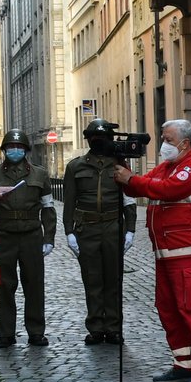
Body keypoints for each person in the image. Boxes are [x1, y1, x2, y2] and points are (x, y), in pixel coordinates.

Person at [114, 120, 191, 382]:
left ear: (185, 143)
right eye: (163, 138)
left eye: (169, 139)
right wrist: (124, 170)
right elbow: (141, 186)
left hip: (189, 253)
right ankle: (183, 363)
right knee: (169, 309)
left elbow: (169, 189)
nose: (164, 144)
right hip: (166, 254)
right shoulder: (167, 167)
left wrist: (131, 179)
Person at [64, 118, 138, 345]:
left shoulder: (119, 165)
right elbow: (69, 201)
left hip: (112, 226)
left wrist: (130, 229)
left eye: (103, 138)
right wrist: (69, 232)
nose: (99, 142)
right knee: (92, 280)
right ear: (88, 140)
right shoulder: (75, 166)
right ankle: (96, 327)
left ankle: (114, 328)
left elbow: (128, 198)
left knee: (113, 280)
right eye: (95, 138)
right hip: (87, 229)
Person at [0, 129, 57, 348]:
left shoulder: (39, 175)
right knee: (4, 285)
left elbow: (48, 208)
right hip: (3, 234)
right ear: (4, 150)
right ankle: (6, 333)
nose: (15, 151)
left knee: (34, 284)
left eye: (19, 148)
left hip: (31, 234)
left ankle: (36, 331)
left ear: (26, 150)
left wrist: (49, 237)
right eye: (10, 148)